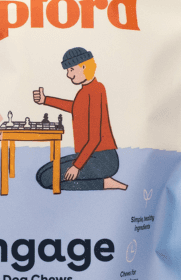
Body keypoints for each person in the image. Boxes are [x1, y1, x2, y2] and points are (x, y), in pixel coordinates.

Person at [33, 47, 127, 191]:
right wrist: (45, 100)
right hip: (89, 156)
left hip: (104, 160)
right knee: (41, 174)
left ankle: (105, 183)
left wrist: (77, 166)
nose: (68, 75)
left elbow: (95, 138)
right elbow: (75, 107)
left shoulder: (96, 90)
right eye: (67, 71)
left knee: (46, 179)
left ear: (84, 66)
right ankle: (102, 181)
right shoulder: (84, 91)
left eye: (71, 69)